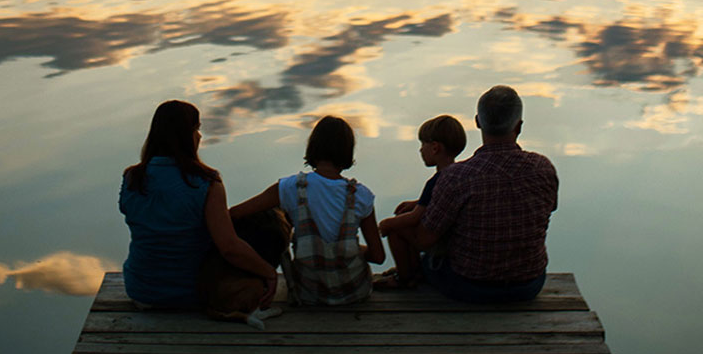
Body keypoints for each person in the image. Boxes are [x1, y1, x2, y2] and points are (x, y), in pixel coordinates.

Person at [119, 100, 277, 309]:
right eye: (196, 129)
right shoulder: (206, 182)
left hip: (140, 290)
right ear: (187, 136)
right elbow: (229, 247)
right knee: (266, 222)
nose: (200, 136)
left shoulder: (132, 178)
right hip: (192, 293)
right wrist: (269, 272)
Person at [415, 86, 558, 304]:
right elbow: (550, 208)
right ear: (519, 126)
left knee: (426, 256)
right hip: (529, 285)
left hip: (469, 286)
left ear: (477, 122)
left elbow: (425, 239)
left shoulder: (457, 176)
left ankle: (402, 280)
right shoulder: (543, 168)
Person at [229, 115, 385, 305]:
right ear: (347, 152)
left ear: (313, 147)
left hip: (308, 294)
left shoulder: (289, 188)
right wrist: (352, 250)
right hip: (354, 292)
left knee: (271, 219)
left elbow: (233, 215)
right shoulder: (362, 195)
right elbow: (378, 256)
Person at [374, 114, 466, 288]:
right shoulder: (457, 174)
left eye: (422, 144)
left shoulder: (436, 181)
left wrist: (387, 223)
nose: (420, 150)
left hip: (441, 244)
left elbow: (415, 217)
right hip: (452, 238)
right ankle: (416, 271)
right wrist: (416, 202)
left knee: (397, 229)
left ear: (435, 148)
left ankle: (404, 277)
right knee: (404, 214)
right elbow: (440, 201)